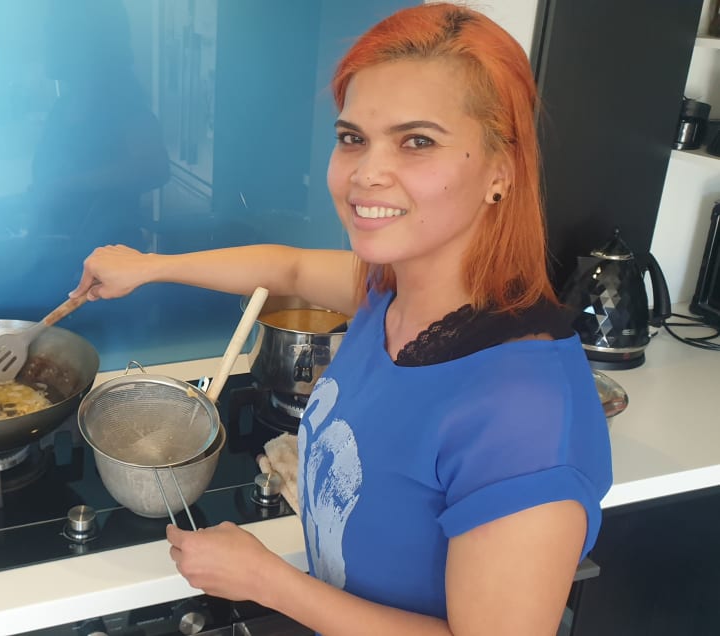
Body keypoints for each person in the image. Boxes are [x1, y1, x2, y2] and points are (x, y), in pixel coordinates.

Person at [70, 4, 612, 634]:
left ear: (501, 171)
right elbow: (291, 270)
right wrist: (149, 267)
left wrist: (269, 582)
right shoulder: (391, 290)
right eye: (353, 137)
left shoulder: (524, 412)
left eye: (417, 141)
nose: (365, 173)